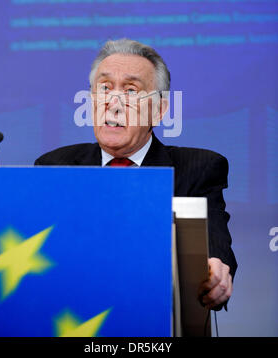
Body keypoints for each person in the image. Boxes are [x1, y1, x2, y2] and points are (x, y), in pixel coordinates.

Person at [35, 38, 237, 311]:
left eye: (130, 91)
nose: (113, 103)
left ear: (160, 109)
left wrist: (216, 270)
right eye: (104, 88)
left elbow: (214, 243)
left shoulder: (198, 168)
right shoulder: (54, 167)